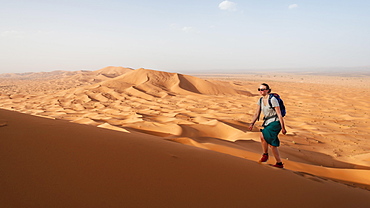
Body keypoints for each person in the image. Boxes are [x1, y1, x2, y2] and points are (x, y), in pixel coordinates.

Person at [248, 83, 287, 168]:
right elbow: (256, 113)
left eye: (263, 89)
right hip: (267, 122)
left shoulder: (273, 99)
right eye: (259, 89)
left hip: (276, 122)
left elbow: (279, 114)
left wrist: (283, 127)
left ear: (268, 90)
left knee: (266, 138)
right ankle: (270, 157)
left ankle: (274, 160)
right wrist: (252, 123)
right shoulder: (260, 100)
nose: (261, 91)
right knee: (264, 139)